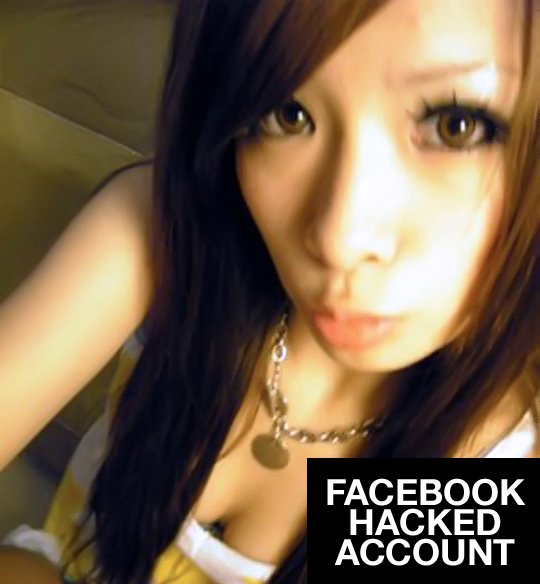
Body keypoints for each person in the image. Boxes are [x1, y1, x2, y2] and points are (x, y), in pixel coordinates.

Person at [0, 0, 538, 582]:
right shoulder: (172, 234)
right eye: (286, 115)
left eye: (456, 125)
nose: (338, 238)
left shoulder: (484, 453)